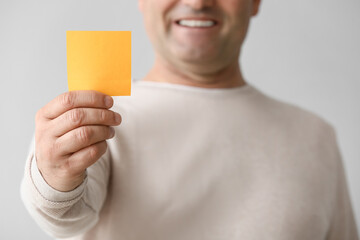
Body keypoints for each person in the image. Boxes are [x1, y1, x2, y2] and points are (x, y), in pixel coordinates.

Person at [21, 0, 358, 239]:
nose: (197, 3)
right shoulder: (100, 121)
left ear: (255, 2)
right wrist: (53, 176)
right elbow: (63, 217)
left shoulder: (316, 136)